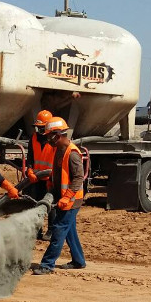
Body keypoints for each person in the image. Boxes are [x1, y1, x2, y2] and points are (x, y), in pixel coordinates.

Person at [33, 117, 86, 275]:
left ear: (57, 135)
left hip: (71, 200)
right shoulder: (58, 150)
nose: (48, 139)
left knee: (58, 230)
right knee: (69, 231)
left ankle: (47, 264)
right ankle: (79, 261)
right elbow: (57, 171)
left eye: (49, 136)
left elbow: (78, 178)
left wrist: (66, 197)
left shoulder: (72, 153)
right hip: (63, 198)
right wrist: (50, 183)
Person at [25, 109, 56, 240]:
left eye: (42, 128)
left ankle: (51, 230)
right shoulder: (33, 138)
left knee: (51, 205)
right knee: (36, 203)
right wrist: (29, 169)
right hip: (36, 178)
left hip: (50, 178)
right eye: (38, 127)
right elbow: (30, 157)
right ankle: (37, 229)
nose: (40, 131)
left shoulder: (54, 141)